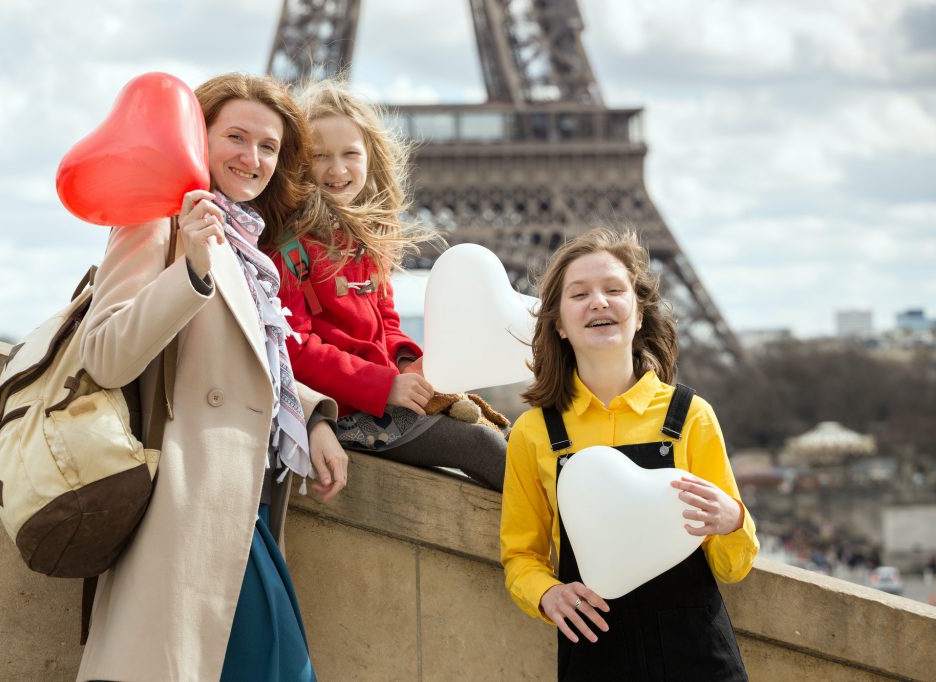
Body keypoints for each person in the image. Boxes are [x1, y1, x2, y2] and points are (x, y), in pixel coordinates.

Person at [76, 73, 349, 682]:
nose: (251, 159)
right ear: (196, 135)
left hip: (245, 505)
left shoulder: (251, 249)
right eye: (235, 136)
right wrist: (191, 271)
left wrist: (315, 415)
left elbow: (252, 365)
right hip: (186, 501)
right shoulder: (159, 222)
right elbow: (105, 354)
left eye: (269, 147)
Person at [500, 228, 759, 680]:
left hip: (697, 657)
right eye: (579, 294)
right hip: (595, 654)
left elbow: (731, 568)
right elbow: (521, 555)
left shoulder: (692, 417)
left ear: (639, 315)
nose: (599, 301)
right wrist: (546, 593)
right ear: (558, 323)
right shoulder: (534, 432)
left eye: (614, 290)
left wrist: (733, 520)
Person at [267, 79, 506, 491]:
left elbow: (388, 322)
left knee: (508, 435)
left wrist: (410, 364)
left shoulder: (365, 243)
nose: (337, 169)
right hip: (343, 410)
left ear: (370, 158)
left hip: (381, 394)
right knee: (483, 443)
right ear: (298, 164)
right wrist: (385, 384)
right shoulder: (288, 249)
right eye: (319, 156)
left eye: (349, 155)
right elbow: (294, 350)